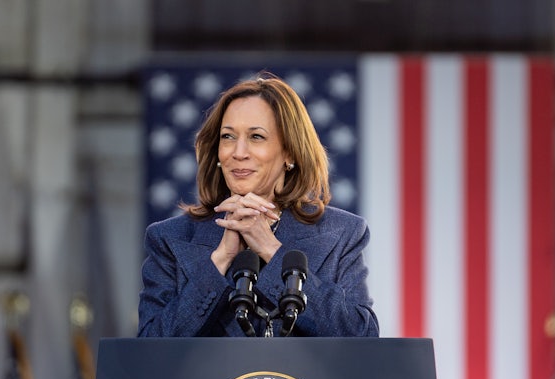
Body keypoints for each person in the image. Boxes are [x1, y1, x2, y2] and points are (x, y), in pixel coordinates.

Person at [137, 73, 378, 337]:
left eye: (256, 137)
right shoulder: (170, 239)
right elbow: (150, 348)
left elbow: (362, 336)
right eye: (228, 137)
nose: (238, 152)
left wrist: (272, 251)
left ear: (290, 152)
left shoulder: (342, 234)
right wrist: (220, 261)